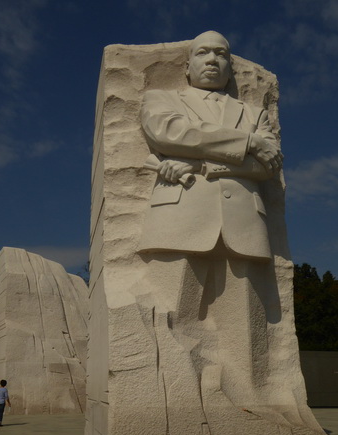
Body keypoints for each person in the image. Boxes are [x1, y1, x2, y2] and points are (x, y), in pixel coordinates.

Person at [137, 31, 284, 405]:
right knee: (170, 316)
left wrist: (199, 161)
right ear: (186, 66)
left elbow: (268, 167)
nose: (212, 59)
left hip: (244, 223)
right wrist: (246, 143)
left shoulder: (255, 113)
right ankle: (172, 401)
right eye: (203, 52)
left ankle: (250, 402)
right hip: (179, 217)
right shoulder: (162, 99)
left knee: (247, 328)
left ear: (230, 68)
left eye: (221, 54)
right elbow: (169, 132)